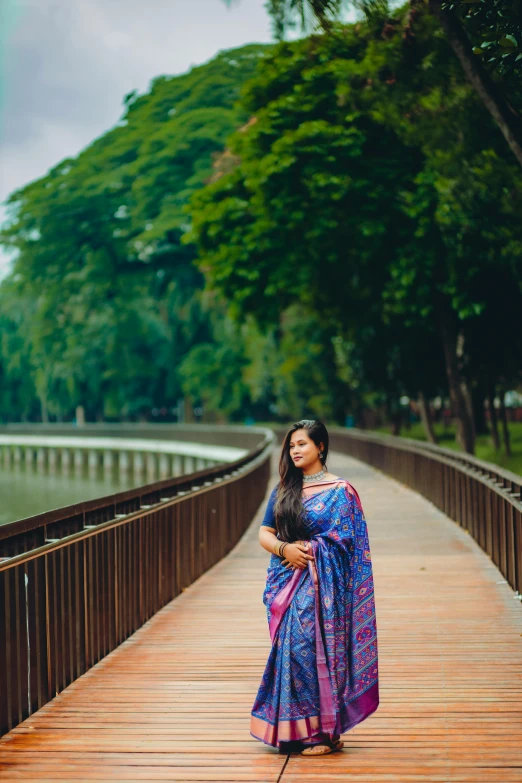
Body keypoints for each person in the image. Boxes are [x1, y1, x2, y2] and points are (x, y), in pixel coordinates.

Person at [250, 418, 379, 756]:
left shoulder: (341, 491)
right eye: (291, 445)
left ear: (320, 447)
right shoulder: (283, 490)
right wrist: (285, 549)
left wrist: (315, 551)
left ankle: (322, 732)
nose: (295, 450)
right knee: (292, 651)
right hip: (287, 581)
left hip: (325, 585)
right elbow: (265, 533)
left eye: (302, 444)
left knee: (314, 647)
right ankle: (298, 730)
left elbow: (350, 545)